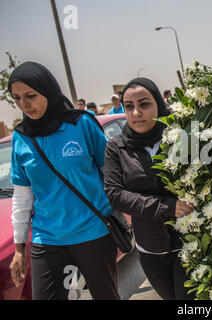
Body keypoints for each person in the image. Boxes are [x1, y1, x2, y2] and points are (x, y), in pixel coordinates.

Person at [8, 61, 119, 300]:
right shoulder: (21, 137)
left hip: (93, 233)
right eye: (17, 98)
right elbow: (22, 197)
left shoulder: (81, 123)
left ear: (48, 91)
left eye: (30, 96)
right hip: (46, 238)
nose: (24, 105)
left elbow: (111, 173)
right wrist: (19, 249)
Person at [103, 77, 195, 300]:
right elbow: (115, 195)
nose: (136, 112)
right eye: (129, 106)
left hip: (190, 243)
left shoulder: (180, 137)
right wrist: (168, 207)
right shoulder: (117, 147)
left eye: (144, 104)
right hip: (151, 250)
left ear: (158, 105)